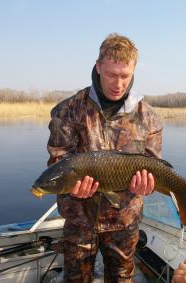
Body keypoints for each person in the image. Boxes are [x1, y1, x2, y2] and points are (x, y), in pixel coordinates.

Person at [47, 33, 163, 282]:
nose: (118, 84)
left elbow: (153, 165)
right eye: (111, 74)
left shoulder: (149, 117)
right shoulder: (68, 110)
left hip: (125, 222)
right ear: (98, 67)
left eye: (125, 76)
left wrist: (147, 185)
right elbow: (58, 162)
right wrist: (72, 189)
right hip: (79, 221)